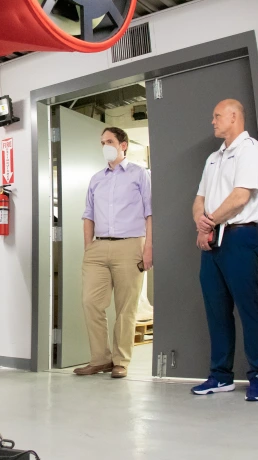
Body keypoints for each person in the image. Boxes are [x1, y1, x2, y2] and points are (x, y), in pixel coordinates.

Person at [190, 99, 258, 402]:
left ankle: (257, 376)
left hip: (241, 237)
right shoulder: (213, 158)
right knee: (216, 309)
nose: (213, 121)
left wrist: (208, 224)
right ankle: (221, 376)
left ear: (234, 116)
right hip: (212, 241)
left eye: (217, 115)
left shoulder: (251, 151)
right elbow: (199, 198)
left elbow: (239, 198)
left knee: (248, 309)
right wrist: (203, 224)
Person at [74, 126, 151, 379]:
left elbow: (151, 213)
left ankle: (120, 361)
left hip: (130, 246)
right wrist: (89, 247)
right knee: (90, 303)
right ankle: (100, 359)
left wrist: (148, 248)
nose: (105, 145)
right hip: (98, 247)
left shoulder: (140, 175)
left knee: (125, 308)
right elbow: (88, 214)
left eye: (109, 141)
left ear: (123, 145)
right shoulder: (97, 178)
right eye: (102, 142)